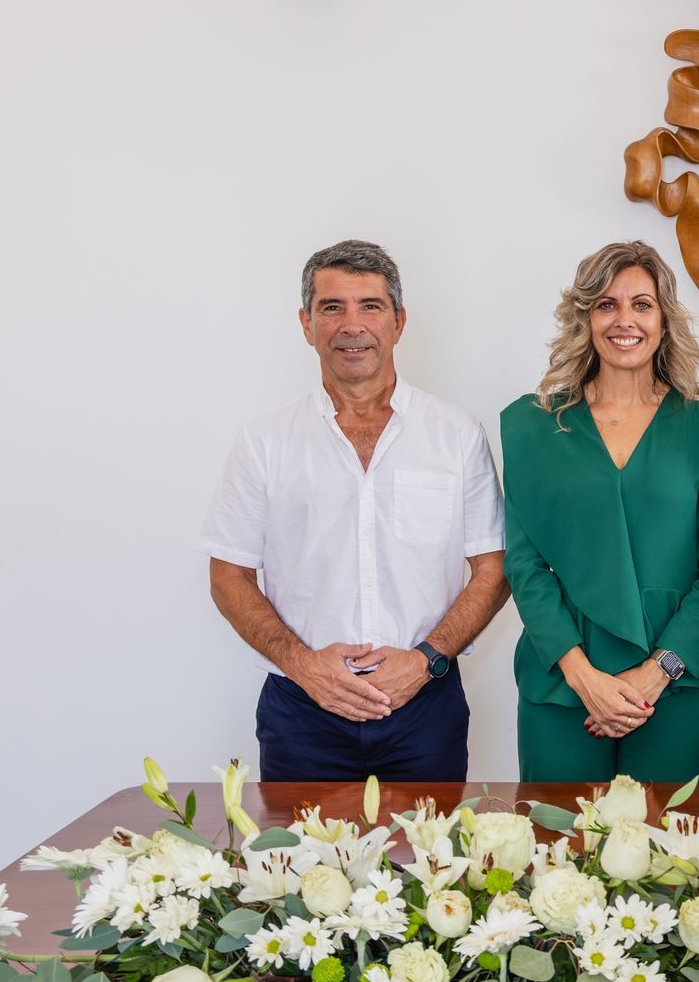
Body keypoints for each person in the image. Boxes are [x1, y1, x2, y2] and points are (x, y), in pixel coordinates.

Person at [200, 240, 509, 780]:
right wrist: (304, 666)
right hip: (301, 710)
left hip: (425, 708)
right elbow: (229, 575)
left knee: (431, 841)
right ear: (306, 323)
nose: (352, 325)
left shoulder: (456, 435)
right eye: (332, 307)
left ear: (399, 321)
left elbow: (495, 567)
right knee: (294, 843)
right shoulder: (264, 440)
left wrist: (425, 661)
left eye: (370, 306)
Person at [501, 240, 699, 782]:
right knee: (560, 832)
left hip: (681, 675)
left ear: (664, 319)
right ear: (585, 317)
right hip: (564, 676)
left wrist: (657, 672)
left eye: (642, 304)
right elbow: (524, 564)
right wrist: (582, 676)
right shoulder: (533, 425)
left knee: (675, 835)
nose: (624, 320)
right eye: (606, 305)